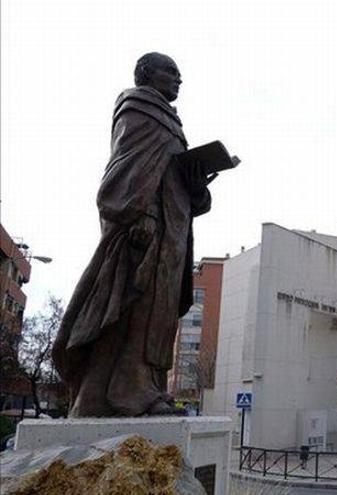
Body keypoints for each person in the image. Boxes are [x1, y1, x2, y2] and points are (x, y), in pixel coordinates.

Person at [52, 52, 213, 417]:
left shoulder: (172, 123)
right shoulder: (138, 108)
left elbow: (176, 184)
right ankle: (126, 390)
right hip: (144, 226)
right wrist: (137, 212)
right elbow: (127, 165)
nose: (178, 79)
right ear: (146, 74)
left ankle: (138, 387)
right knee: (128, 304)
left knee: (158, 311)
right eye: (170, 71)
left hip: (173, 234)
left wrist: (197, 184)